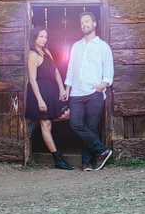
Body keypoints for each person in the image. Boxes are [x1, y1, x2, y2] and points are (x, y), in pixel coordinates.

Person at [64, 11, 113, 171]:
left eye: (87, 21)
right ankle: (102, 150)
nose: (84, 24)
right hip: (76, 93)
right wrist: (67, 88)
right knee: (75, 123)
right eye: (82, 22)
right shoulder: (76, 46)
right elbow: (71, 68)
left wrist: (102, 86)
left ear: (94, 24)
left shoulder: (103, 46)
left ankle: (87, 162)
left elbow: (108, 70)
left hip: (94, 93)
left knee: (91, 127)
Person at [25, 28, 74, 170]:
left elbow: (55, 71)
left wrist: (61, 88)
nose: (43, 39)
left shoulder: (46, 52)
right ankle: (58, 159)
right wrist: (39, 100)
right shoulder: (32, 54)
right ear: (35, 37)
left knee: (67, 114)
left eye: (45, 36)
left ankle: (36, 120)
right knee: (47, 125)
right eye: (41, 36)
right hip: (39, 91)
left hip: (51, 89)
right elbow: (33, 80)